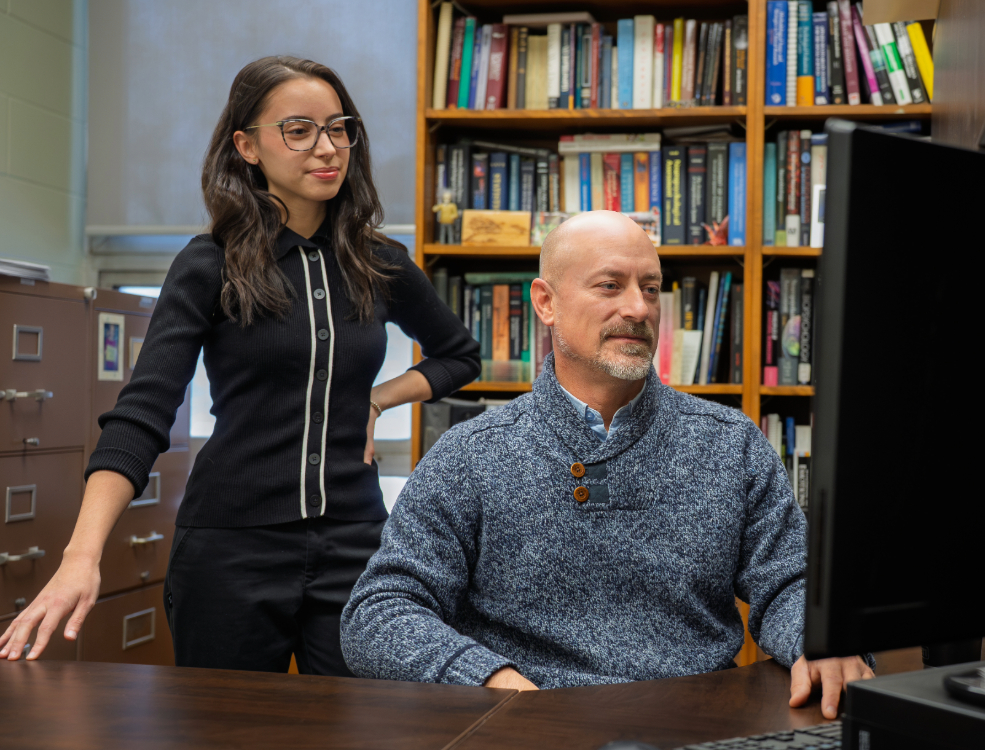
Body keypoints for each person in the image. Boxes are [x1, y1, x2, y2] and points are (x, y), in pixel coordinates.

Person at [0, 56, 480, 675]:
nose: (328, 148)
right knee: (223, 731)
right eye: (299, 129)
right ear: (246, 145)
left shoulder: (378, 262)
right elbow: (143, 413)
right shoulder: (209, 264)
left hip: (356, 543)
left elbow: (458, 354)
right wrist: (81, 556)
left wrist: (377, 399)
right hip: (229, 548)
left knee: (364, 728)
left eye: (340, 128)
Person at [339, 211, 872, 718]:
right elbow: (378, 614)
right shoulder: (469, 455)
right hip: (529, 725)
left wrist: (821, 641)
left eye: (650, 287)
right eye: (610, 286)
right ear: (546, 303)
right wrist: (489, 680)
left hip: (700, 722)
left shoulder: (730, 444)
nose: (639, 309)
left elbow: (791, 582)